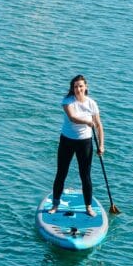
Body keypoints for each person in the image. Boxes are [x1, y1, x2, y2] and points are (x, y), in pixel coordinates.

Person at [49, 74, 105, 216]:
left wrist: (101, 145)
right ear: (72, 89)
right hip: (67, 141)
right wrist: (87, 122)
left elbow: (98, 125)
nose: (78, 89)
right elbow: (72, 118)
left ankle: (88, 207)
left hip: (85, 143)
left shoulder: (92, 103)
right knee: (61, 173)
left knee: (85, 175)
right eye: (75, 87)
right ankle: (55, 205)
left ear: (86, 87)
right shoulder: (67, 101)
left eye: (81, 86)